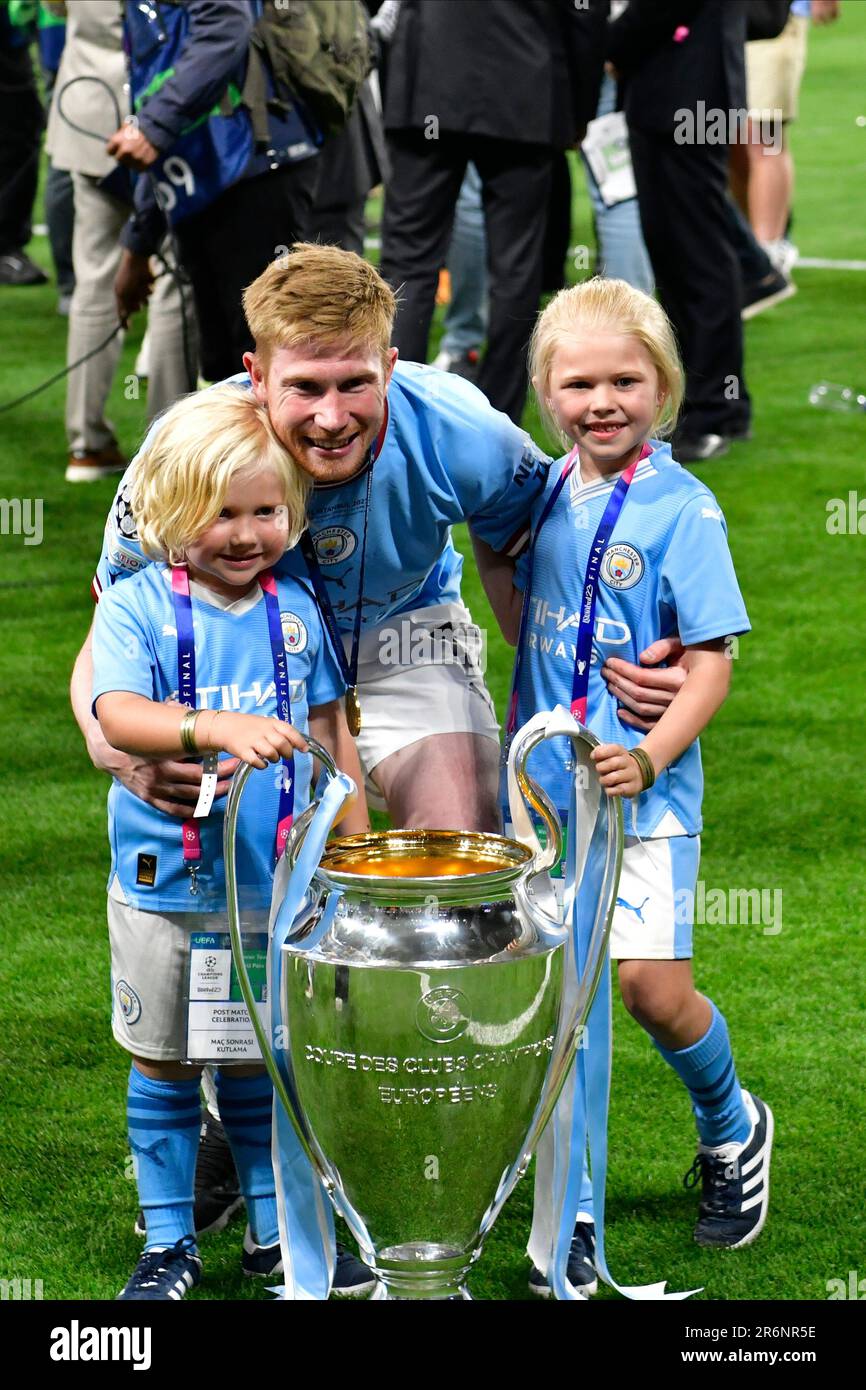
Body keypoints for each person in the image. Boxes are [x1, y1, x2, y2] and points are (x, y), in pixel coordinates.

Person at [72, 245, 686, 857]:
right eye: (305, 387)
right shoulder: (187, 451)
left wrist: (651, 649)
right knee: (251, 866)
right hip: (234, 649)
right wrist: (109, 744)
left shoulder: (463, 430)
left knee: (457, 844)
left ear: (390, 367)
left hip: (405, 634)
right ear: (256, 376)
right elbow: (113, 614)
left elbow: (555, 537)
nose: (332, 418)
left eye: (355, 384)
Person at [474, 277, 773, 1297]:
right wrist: (489, 556)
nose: (600, 400)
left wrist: (645, 755)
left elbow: (710, 664)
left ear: (663, 387)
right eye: (577, 382)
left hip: (644, 800)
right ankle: (576, 1215)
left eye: (624, 380)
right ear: (544, 393)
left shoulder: (682, 507)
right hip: (548, 803)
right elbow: (521, 628)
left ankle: (730, 1124)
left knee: (650, 991)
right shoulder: (544, 490)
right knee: (564, 1006)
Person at [90, 385, 371, 1300]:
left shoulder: (294, 605)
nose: (247, 534)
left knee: (258, 1054)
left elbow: (330, 725)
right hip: (166, 883)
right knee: (166, 1059)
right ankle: (168, 1243)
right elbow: (117, 713)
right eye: (224, 514)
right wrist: (207, 726)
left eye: (267, 512)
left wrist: (354, 839)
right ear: (173, 514)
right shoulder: (136, 604)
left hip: (274, 887)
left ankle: (269, 1226)